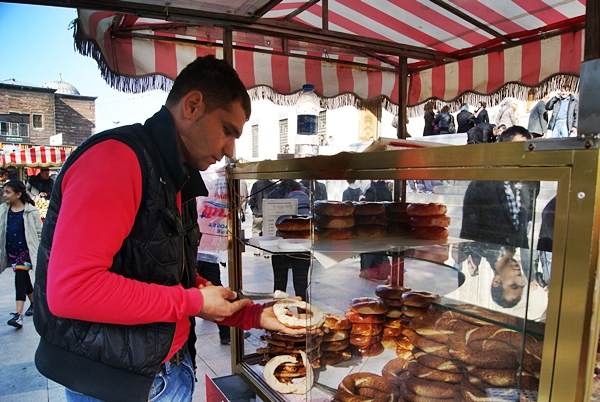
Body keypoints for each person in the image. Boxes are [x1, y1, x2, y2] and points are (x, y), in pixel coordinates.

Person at [33, 55, 310, 402]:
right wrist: (192, 300)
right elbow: (72, 290)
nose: (229, 150)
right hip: (115, 386)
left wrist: (253, 315)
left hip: (169, 372)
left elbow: (162, 273)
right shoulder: (116, 160)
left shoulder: (174, 173)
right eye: (227, 130)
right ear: (192, 105)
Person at [459, 126, 538, 307]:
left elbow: (525, 221)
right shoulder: (481, 185)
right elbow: (468, 230)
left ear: (496, 281)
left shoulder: (531, 182)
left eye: (528, 150)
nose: (520, 277)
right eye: (521, 284)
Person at [0, 180, 42, 329]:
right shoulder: (3, 210)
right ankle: (34, 303)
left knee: (19, 277)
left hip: (26, 252)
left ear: (18, 194)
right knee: (23, 279)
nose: (5, 195)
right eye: (4, 192)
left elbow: (39, 232)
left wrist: (40, 251)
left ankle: (18, 315)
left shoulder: (31, 211)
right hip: (11, 251)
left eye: (8, 192)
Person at [267, 180, 311, 301]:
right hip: (302, 245)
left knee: (279, 284)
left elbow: (268, 222)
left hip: (279, 246)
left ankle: (278, 313)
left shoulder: (273, 195)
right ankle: (303, 315)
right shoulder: (306, 194)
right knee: (301, 284)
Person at [360, 180, 392, 280]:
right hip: (383, 225)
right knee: (381, 250)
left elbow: (368, 208)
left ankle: (367, 271)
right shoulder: (388, 191)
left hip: (371, 226)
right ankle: (384, 271)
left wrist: (362, 200)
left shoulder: (371, 190)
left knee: (369, 250)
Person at [248, 178, 275, 256]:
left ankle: (256, 251)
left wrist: (253, 209)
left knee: (256, 231)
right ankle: (267, 252)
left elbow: (252, 199)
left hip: (257, 212)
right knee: (268, 232)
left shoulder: (256, 184)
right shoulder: (273, 184)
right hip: (270, 213)